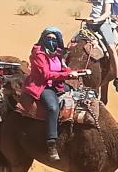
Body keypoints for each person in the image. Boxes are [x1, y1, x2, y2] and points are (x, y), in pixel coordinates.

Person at [23, 27, 78, 161]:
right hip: (42, 85)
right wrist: (66, 74)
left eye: (54, 39)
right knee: (53, 108)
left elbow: (64, 68)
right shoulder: (38, 54)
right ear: (43, 39)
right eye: (49, 38)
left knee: (79, 95)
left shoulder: (58, 54)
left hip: (56, 84)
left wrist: (76, 72)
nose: (51, 41)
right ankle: (51, 143)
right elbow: (46, 74)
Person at [67, 0, 118, 93]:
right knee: (72, 44)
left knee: (111, 48)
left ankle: (117, 77)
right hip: (89, 24)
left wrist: (96, 20)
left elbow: (107, 13)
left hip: (102, 24)